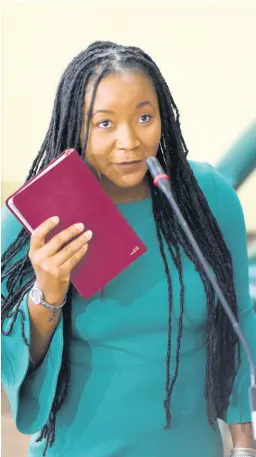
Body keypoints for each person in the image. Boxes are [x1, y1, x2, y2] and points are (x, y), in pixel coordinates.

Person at [1, 40, 256, 457]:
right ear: (75, 125)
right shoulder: (34, 222)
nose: (130, 140)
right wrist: (47, 292)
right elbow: (15, 362)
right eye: (105, 123)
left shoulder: (207, 197)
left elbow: (238, 321)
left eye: (144, 117)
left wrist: (244, 445)